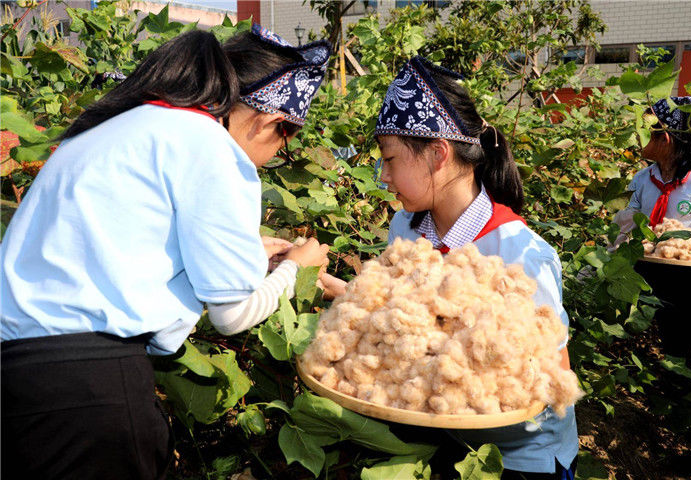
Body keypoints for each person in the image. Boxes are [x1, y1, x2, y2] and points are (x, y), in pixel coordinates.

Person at [1, 25, 332, 480]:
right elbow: (231, 316)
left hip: (22, 379)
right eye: (283, 143)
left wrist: (246, 252)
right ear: (268, 121)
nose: (271, 157)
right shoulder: (211, 145)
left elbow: (127, 241)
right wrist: (293, 270)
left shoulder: (124, 126)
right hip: (91, 389)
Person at [324, 56, 579, 479]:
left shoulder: (519, 255)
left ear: (438, 153)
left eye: (389, 159)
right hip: (434, 439)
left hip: (518, 461)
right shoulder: (405, 231)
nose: (382, 176)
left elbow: (555, 380)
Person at [613, 96, 691, 355]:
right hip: (646, 272)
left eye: (648, 131)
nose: (640, 137)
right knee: (642, 344)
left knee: (683, 345)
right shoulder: (642, 180)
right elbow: (624, 227)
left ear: (665, 139)